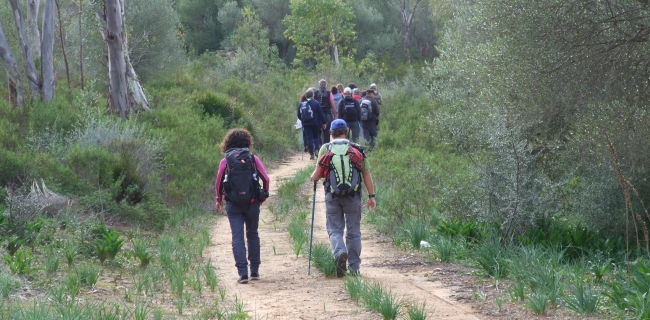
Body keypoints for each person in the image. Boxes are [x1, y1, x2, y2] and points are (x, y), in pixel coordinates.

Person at [311, 119, 376, 277]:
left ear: (331, 133)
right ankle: (354, 267)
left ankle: (340, 252)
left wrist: (312, 178)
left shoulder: (326, 148)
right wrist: (371, 196)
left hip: (332, 195)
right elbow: (366, 173)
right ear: (347, 131)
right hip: (353, 196)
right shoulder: (356, 149)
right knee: (354, 232)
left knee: (334, 229)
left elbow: (318, 173)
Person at [215, 129, 270, 284]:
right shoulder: (252, 159)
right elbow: (265, 178)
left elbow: (219, 182)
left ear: (228, 143)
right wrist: (263, 194)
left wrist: (219, 199)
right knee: (252, 234)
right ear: (247, 142)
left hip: (233, 204)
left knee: (237, 237)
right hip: (253, 203)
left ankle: (243, 273)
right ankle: (254, 271)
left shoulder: (225, 161)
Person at [297, 88, 327, 160]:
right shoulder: (316, 103)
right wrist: (324, 122)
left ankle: (311, 154)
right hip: (315, 123)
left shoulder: (301, 104)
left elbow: (298, 114)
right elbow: (321, 113)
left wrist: (303, 120)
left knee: (309, 138)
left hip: (306, 124)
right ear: (313, 96)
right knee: (316, 137)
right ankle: (317, 150)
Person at [315, 79, 337, 144]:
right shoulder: (329, 93)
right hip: (327, 114)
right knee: (326, 132)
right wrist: (335, 115)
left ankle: (318, 147)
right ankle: (326, 147)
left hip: (317, 115)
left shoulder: (315, 93)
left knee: (318, 132)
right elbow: (333, 105)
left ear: (319, 85)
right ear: (326, 85)